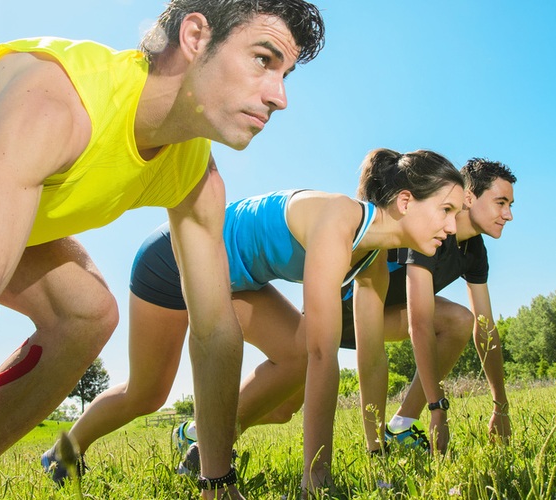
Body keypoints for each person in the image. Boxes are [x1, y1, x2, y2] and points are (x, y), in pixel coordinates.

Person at [0, 0, 325, 497]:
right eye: (264, 60)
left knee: (88, 316)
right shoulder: (57, 102)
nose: (279, 97)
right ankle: (61, 454)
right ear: (195, 37)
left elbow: (217, 331)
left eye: (285, 72)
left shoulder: (196, 174)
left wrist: (217, 482)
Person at [41, 148, 465, 496]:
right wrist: (316, 479)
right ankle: (63, 450)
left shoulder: (373, 256)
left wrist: (377, 450)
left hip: (235, 279)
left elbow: (369, 359)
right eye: (446, 209)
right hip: (174, 257)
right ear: (406, 201)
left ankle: (201, 448)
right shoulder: (338, 220)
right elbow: (324, 353)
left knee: (290, 379)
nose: (452, 225)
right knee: (147, 393)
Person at [344, 157, 517, 455]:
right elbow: (420, 322)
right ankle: (376, 445)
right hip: (344, 315)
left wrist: (500, 405)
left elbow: (485, 327)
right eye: (501, 202)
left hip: (387, 314)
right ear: (469, 197)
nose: (509, 214)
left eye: (511, 205)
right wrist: (438, 407)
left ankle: (400, 425)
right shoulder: (430, 226)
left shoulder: (474, 248)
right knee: (285, 403)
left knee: (461, 321)